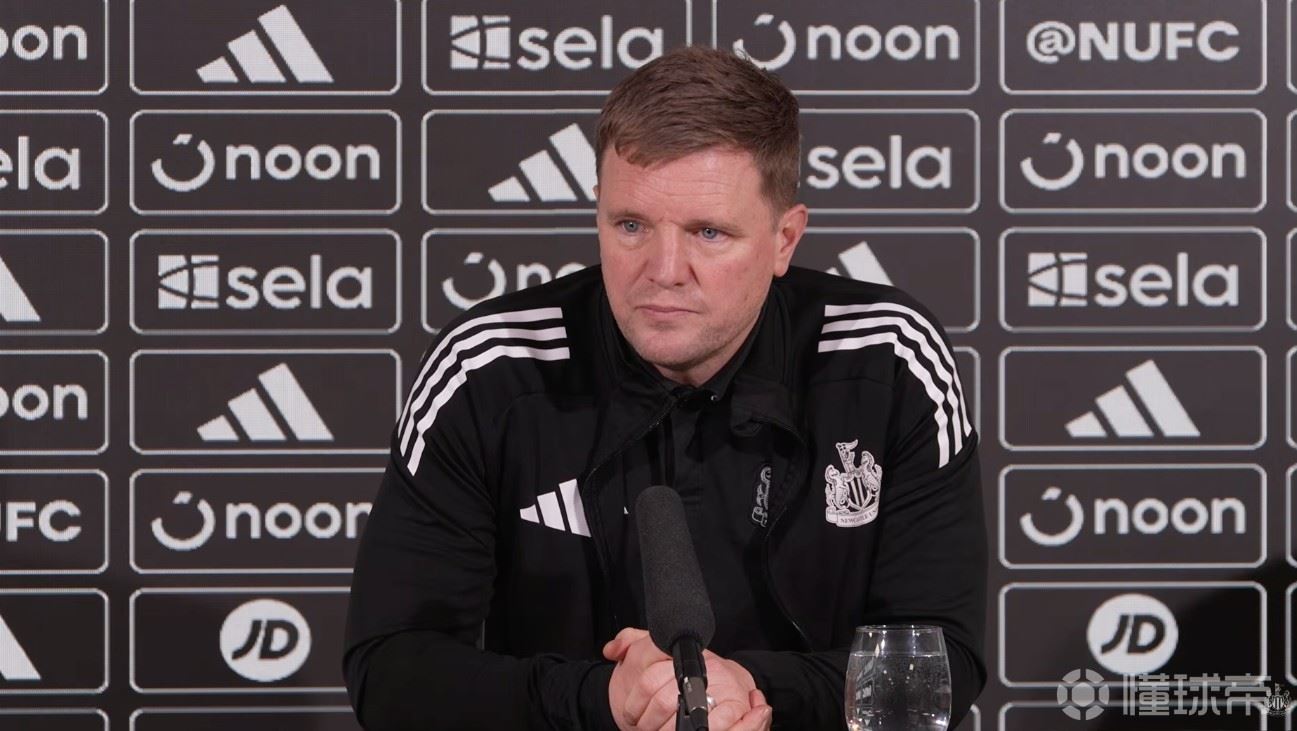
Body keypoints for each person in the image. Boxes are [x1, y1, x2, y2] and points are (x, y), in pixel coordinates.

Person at [344, 45, 986, 730]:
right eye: (631, 226)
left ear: (784, 239)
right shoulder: (490, 366)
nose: (664, 270)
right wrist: (603, 699)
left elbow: (941, 658)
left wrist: (755, 691)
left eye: (709, 232)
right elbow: (389, 669)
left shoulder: (888, 357)